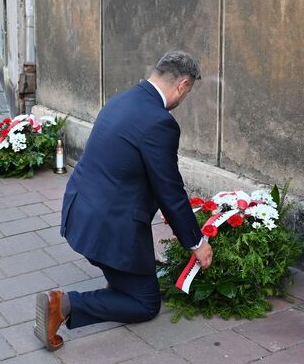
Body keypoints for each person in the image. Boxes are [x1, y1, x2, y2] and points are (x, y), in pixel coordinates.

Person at [34, 51, 213, 350]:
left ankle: (117, 284)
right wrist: (197, 242)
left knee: (134, 280)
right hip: (110, 227)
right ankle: (64, 305)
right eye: (188, 92)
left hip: (82, 211)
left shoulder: (123, 99)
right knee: (145, 303)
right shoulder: (159, 121)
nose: (183, 99)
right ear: (182, 85)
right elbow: (170, 190)